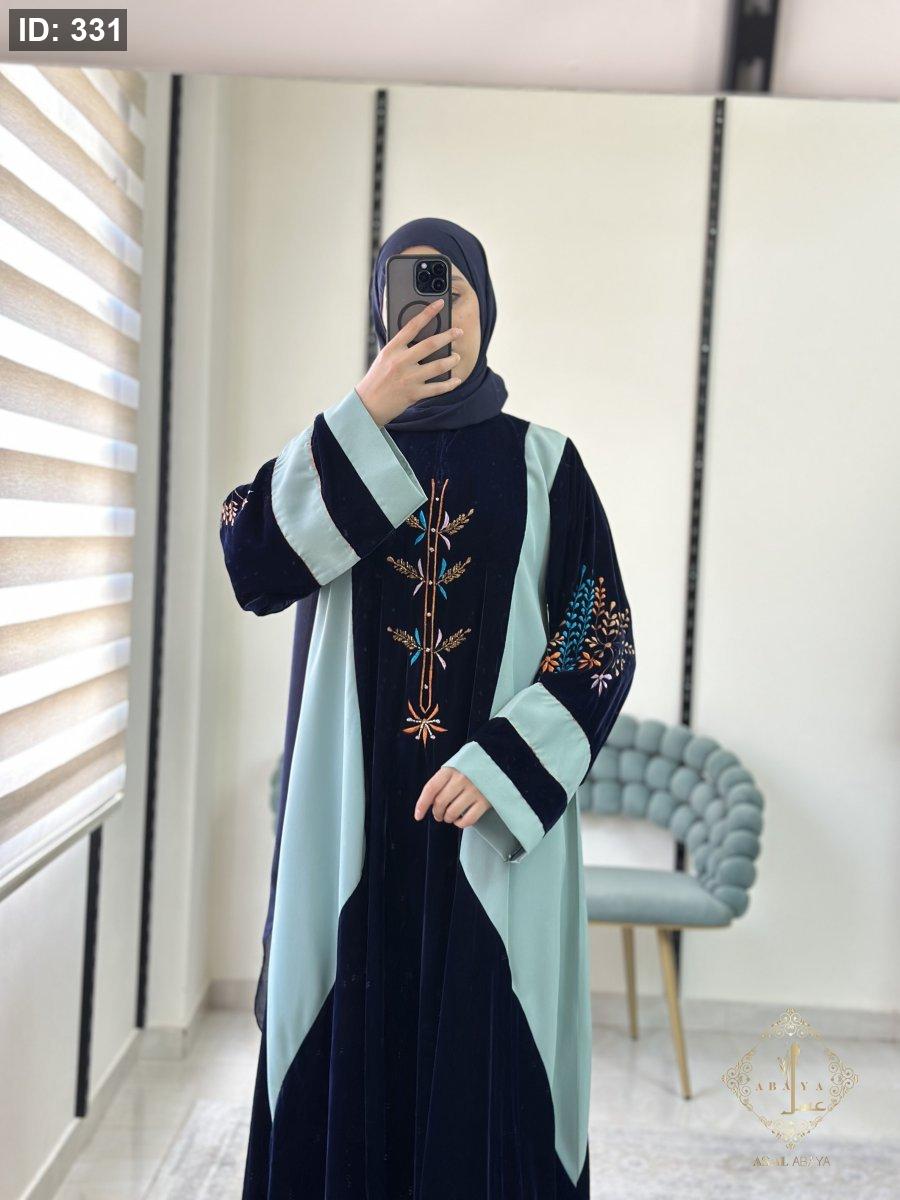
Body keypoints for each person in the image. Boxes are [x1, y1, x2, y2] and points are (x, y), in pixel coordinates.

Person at [220, 216, 636, 1199]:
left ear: (487, 309)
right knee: (335, 1054)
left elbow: (599, 638)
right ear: (382, 313)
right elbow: (251, 563)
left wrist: (503, 765)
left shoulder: (545, 466)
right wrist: (364, 411)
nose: (434, 312)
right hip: (352, 836)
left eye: (453, 292)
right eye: (412, 291)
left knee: (488, 1076)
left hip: (485, 834)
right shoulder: (336, 456)